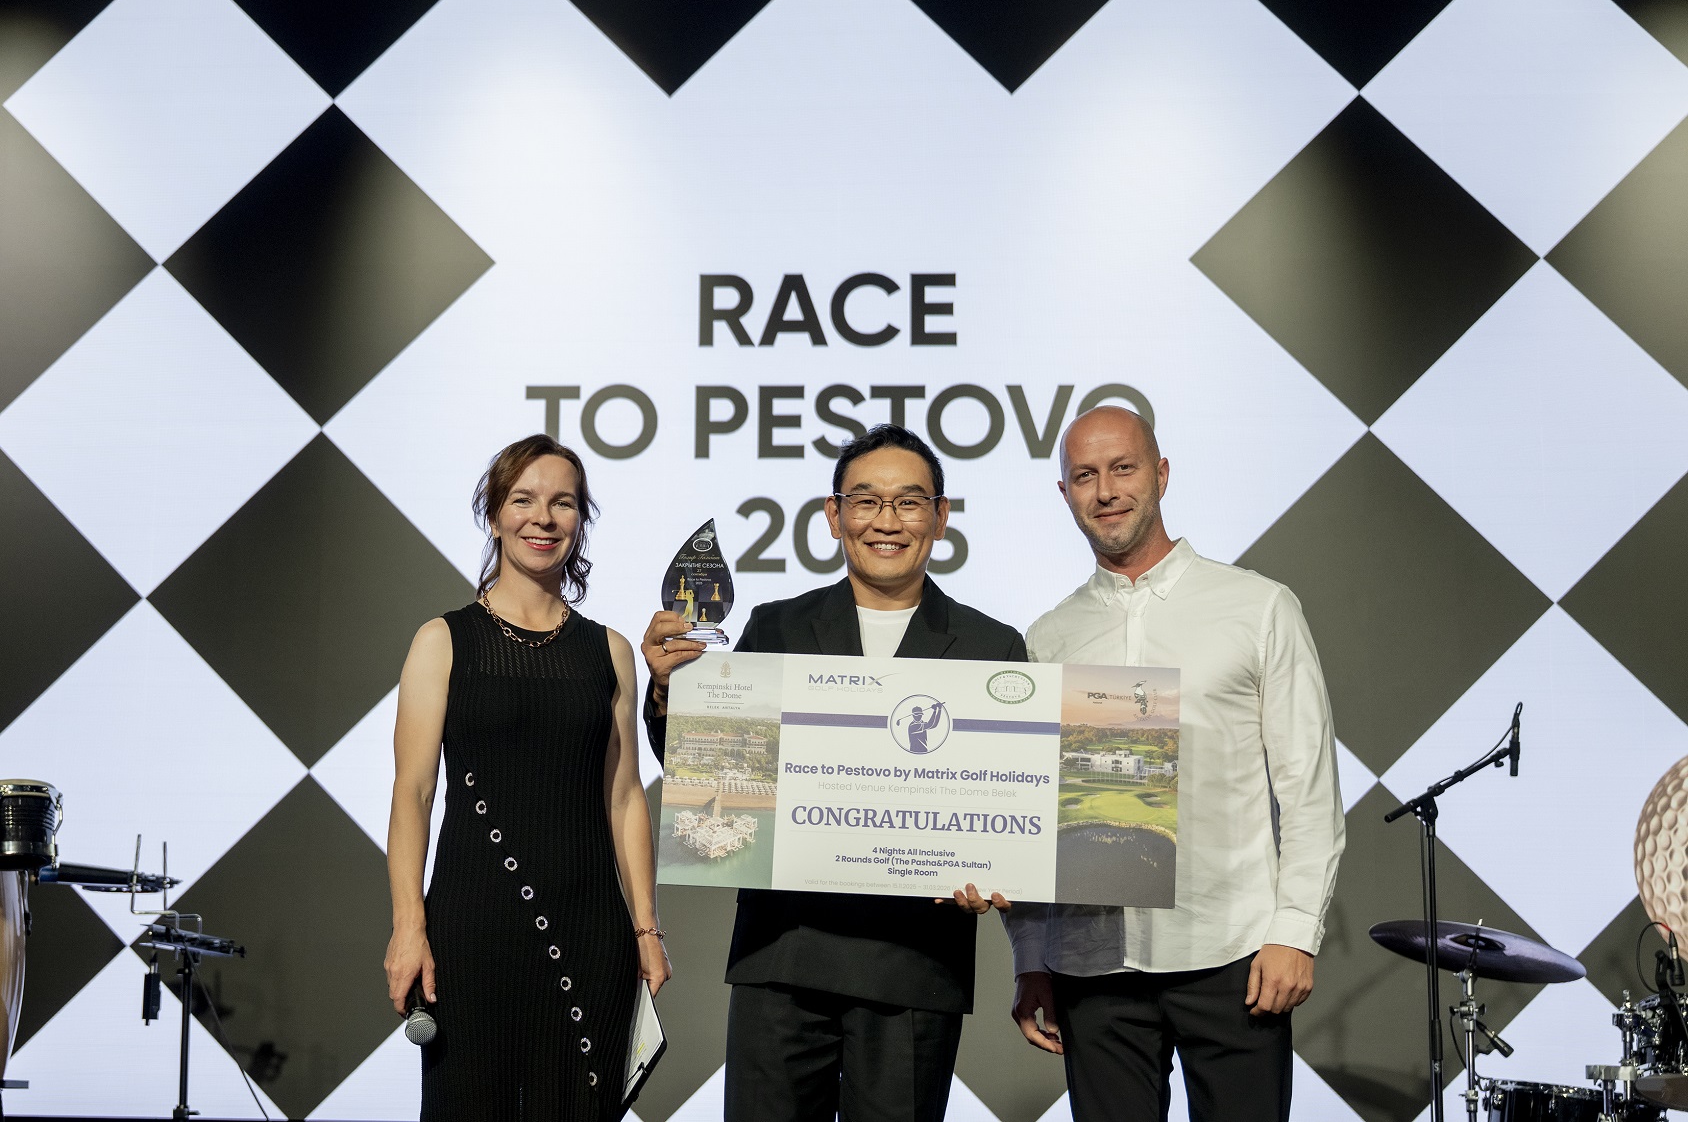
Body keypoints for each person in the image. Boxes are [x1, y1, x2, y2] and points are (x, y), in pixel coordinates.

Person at [642, 425, 1025, 1122]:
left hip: (915, 966)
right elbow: (712, 775)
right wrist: (670, 693)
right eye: (866, 501)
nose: (887, 521)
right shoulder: (776, 627)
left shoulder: (992, 647)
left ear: (941, 516)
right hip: (783, 956)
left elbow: (1010, 807)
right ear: (833, 515)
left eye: (909, 502)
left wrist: (998, 869)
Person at [1004, 406, 1344, 1122]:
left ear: (1161, 473)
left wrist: (1294, 931)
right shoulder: (1047, 638)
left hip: (1233, 953)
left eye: (1122, 468)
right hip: (1091, 961)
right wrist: (1031, 954)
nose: (1105, 491)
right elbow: (1033, 811)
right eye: (1084, 475)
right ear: (1064, 492)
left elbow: (1308, 789)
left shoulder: (1258, 607)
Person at [385, 434, 670, 1121]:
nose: (543, 518)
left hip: (591, 934)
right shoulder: (442, 640)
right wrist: (407, 926)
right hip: (471, 933)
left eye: (563, 503)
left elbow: (625, 796)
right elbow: (413, 794)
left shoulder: (610, 650)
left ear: (580, 520)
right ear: (494, 516)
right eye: (523, 500)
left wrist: (646, 929)